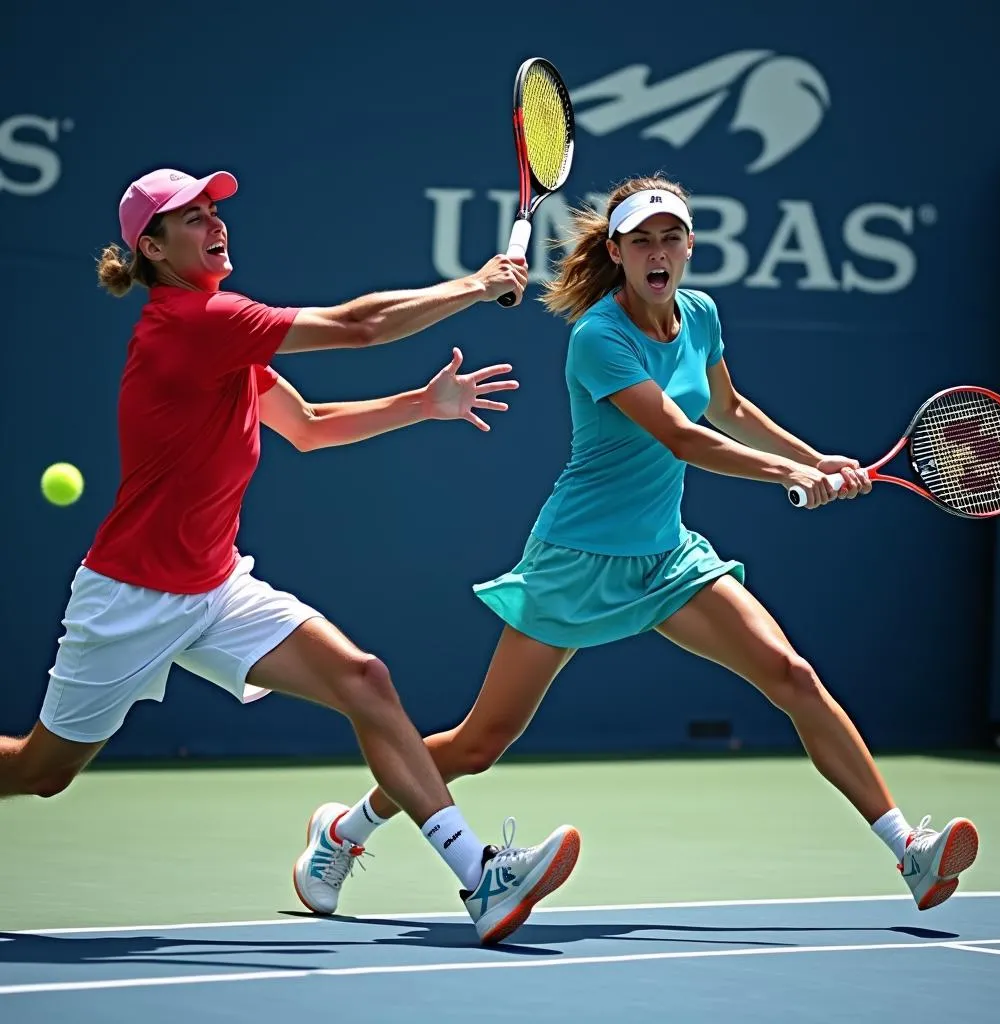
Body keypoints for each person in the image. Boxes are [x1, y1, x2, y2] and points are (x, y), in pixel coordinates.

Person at [314, 175, 979, 914]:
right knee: (479, 743)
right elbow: (680, 434)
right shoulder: (598, 337)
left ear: (690, 246)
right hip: (576, 560)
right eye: (642, 240)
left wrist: (816, 459)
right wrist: (788, 473)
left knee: (791, 675)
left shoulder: (699, 315)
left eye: (671, 237)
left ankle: (908, 852)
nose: (658, 252)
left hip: (668, 557)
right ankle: (344, 831)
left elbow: (727, 408)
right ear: (619, 253)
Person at [0, 166, 581, 946]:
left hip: (216, 587)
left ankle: (480, 878)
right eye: (194, 218)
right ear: (154, 247)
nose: (216, 224)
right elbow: (359, 326)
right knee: (42, 772)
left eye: (216, 211)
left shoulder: (222, 337)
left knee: (364, 680)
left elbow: (305, 423)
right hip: (130, 597)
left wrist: (421, 405)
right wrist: (475, 286)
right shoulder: (196, 322)